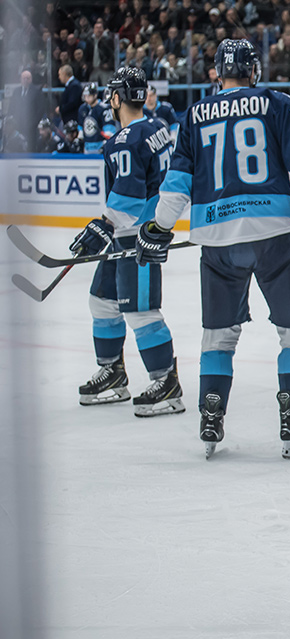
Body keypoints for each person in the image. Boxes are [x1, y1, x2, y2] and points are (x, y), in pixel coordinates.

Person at [146, 39, 290, 460]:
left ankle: (211, 414)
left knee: (218, 333)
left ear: (216, 73)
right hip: (273, 235)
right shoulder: (276, 104)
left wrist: (159, 226)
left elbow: (177, 185)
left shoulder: (195, 114)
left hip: (218, 241)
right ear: (253, 70)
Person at [71, 66, 185, 418]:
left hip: (137, 237)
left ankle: (166, 381)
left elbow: (131, 195)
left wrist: (103, 224)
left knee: (140, 310)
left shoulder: (123, 140)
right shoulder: (158, 128)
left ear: (117, 98)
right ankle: (114, 373)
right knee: (102, 301)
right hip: (130, 232)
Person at [78, 81, 117, 154]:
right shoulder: (83, 108)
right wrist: (79, 139)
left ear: (95, 95)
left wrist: (107, 142)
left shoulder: (103, 108)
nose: (86, 98)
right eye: (85, 96)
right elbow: (81, 127)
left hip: (100, 146)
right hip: (87, 147)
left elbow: (109, 129)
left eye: (89, 96)